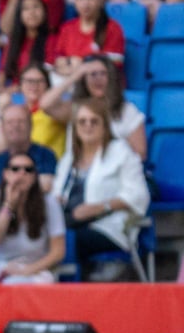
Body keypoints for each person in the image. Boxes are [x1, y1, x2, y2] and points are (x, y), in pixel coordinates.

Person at [53, 99, 151, 281]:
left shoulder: (121, 152)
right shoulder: (69, 158)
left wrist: (99, 207)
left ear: (105, 126)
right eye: (82, 122)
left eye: (94, 121)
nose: (88, 126)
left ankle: (68, 290)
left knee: (67, 240)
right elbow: (56, 193)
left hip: (107, 226)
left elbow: (138, 195)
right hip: (68, 222)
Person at [0, 151, 66, 283]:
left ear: (35, 176)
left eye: (28, 170)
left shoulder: (49, 202)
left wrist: (28, 270)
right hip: (4, 266)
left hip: (39, 268)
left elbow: (58, 252)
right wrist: (9, 205)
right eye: (15, 169)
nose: (22, 174)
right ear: (5, 174)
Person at [53, 0, 125, 75]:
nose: (85, 3)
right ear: (75, 1)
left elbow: (113, 66)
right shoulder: (67, 28)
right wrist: (69, 65)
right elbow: (58, 60)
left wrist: (79, 64)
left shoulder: (113, 28)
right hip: (69, 77)